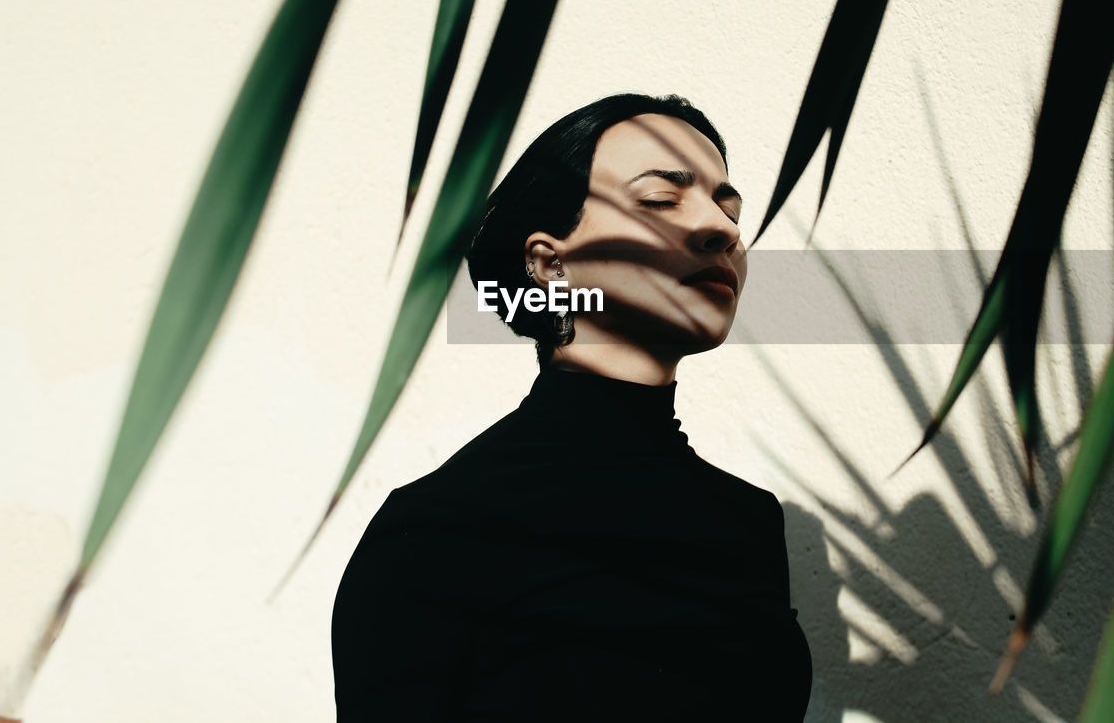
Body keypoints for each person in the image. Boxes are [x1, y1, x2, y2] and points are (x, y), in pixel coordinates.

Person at [331, 93, 812, 720]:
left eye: (730, 207)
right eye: (662, 200)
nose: (723, 229)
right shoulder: (440, 529)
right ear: (550, 264)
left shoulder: (748, 521)